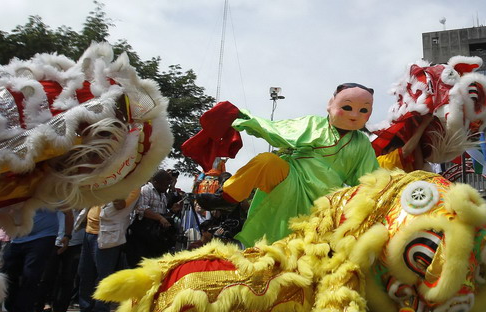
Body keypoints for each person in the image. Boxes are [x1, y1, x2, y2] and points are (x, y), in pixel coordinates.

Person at [196, 83, 379, 247]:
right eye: (347, 107)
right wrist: (243, 117)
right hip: (293, 179)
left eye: (363, 110)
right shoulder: (313, 124)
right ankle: (227, 198)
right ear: (331, 104)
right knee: (267, 161)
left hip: (327, 199)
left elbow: (371, 179)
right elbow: (274, 131)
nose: (354, 115)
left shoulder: (362, 143)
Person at [70, 188, 140, 312]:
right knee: (85, 273)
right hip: (89, 233)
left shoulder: (133, 187)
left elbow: (120, 205)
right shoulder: (103, 182)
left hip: (107, 235)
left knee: (103, 276)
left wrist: (113, 187)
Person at [0, 209, 72, 312]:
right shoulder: (17, 190)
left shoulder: (50, 191)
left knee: (30, 275)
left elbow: (68, 212)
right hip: (17, 239)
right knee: (7, 276)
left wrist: (67, 235)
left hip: (43, 236)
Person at [30, 210, 82, 312]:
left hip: (76, 239)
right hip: (51, 238)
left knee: (68, 278)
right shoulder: (55, 193)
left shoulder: (85, 193)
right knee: (45, 277)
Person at [129, 170, 176, 261]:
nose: (166, 188)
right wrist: (160, 218)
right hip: (143, 234)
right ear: (155, 182)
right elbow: (141, 208)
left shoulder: (162, 195)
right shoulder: (146, 190)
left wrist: (172, 211)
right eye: (164, 185)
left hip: (156, 235)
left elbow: (162, 214)